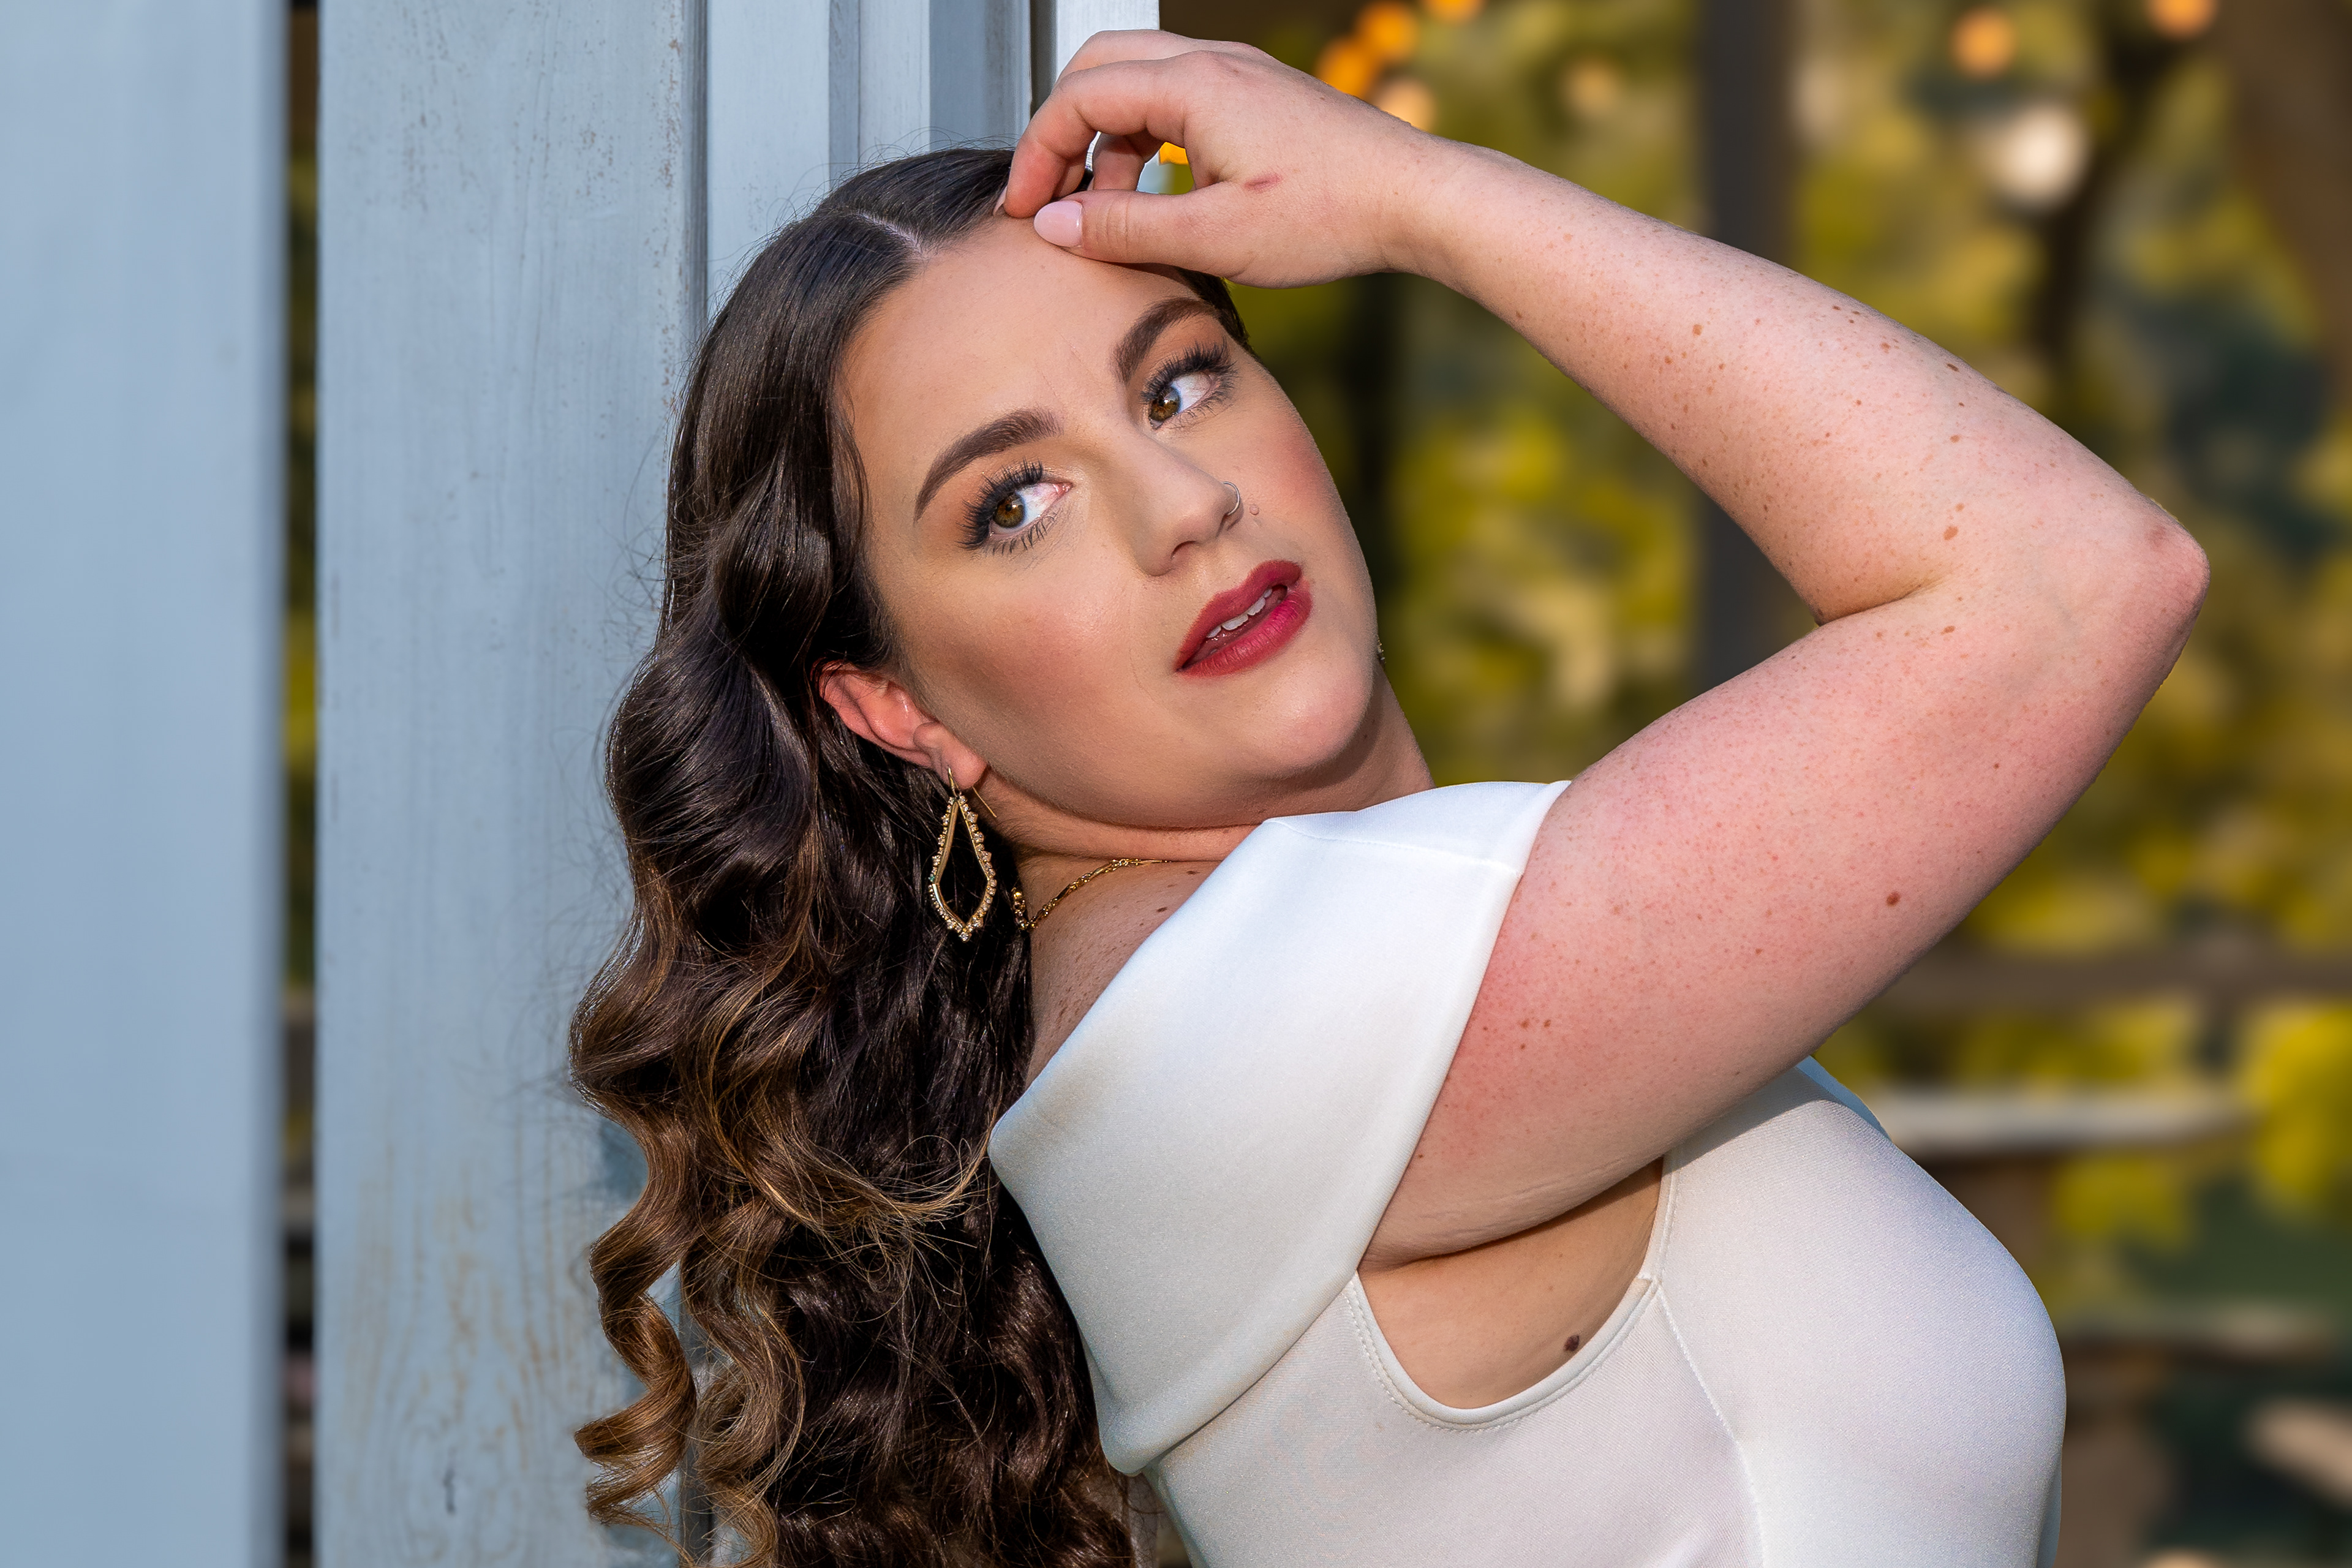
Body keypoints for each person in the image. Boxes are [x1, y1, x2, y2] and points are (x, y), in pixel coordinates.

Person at [569, 31, 2207, 1568]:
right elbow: (2068, 583)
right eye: (1017, 501)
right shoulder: (1226, 1030)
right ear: (898, 709)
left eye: (1178, 382)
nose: (1182, 504)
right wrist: (1419, 194)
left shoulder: (1323, 980)